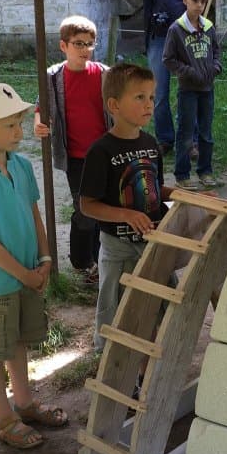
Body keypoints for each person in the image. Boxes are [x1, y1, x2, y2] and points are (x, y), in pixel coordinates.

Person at [0, 82, 68, 450]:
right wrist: (24, 274)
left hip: (30, 273)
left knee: (19, 341)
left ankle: (23, 404)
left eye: (19, 123)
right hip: (0, 282)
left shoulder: (21, 166)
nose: (18, 132)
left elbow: (36, 216)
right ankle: (3, 418)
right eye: (8, 125)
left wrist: (45, 260)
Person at [80, 63, 174, 351]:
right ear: (114, 105)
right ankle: (117, 366)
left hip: (152, 242)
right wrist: (126, 215)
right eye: (139, 97)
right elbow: (87, 205)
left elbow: (156, 188)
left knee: (156, 309)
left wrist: (184, 194)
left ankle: (146, 373)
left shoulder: (150, 143)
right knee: (118, 313)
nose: (149, 104)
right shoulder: (101, 151)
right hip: (118, 248)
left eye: (151, 97)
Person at [34, 15, 111, 284]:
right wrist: (39, 123)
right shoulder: (53, 77)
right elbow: (41, 106)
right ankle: (82, 261)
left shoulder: (104, 74)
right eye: (79, 43)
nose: (85, 49)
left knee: (107, 207)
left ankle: (103, 261)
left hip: (105, 154)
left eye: (90, 44)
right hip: (76, 157)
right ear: (63, 46)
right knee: (85, 209)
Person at [139, 0, 203, 155]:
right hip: (158, 36)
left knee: (188, 88)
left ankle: (191, 141)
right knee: (158, 91)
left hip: (185, 34)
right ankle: (165, 139)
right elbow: (147, 3)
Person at [162, 0, 221, 190]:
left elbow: (216, 51)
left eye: (203, 1)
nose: (199, 5)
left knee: (206, 133)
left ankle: (205, 171)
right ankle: (182, 174)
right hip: (188, 89)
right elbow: (168, 59)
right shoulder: (176, 30)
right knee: (186, 133)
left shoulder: (208, 27)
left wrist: (215, 68)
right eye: (195, 0)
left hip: (207, 89)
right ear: (185, 0)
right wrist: (189, 72)